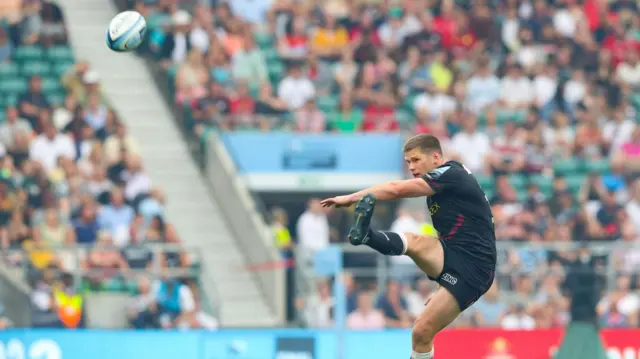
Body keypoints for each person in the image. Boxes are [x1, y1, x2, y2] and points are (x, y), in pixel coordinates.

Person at [321, 134, 496, 359]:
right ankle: (367, 236)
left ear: (435, 157)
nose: (411, 167)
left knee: (421, 331)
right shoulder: (443, 187)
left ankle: (369, 236)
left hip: (474, 269)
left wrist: (352, 198)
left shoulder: (451, 174)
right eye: (408, 163)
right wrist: (443, 285)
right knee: (413, 242)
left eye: (415, 160)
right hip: (453, 253)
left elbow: (396, 189)